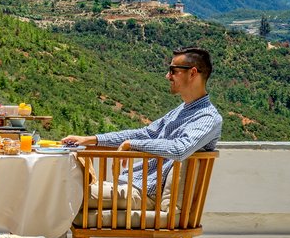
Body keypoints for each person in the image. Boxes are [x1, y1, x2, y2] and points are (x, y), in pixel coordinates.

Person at [62, 47, 222, 208]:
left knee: (64, 192)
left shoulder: (207, 118)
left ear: (193, 73)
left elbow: (180, 149)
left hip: (145, 193)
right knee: (63, 186)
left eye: (173, 70)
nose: (168, 76)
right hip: (134, 184)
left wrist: (131, 144)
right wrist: (92, 139)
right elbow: (145, 133)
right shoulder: (181, 110)